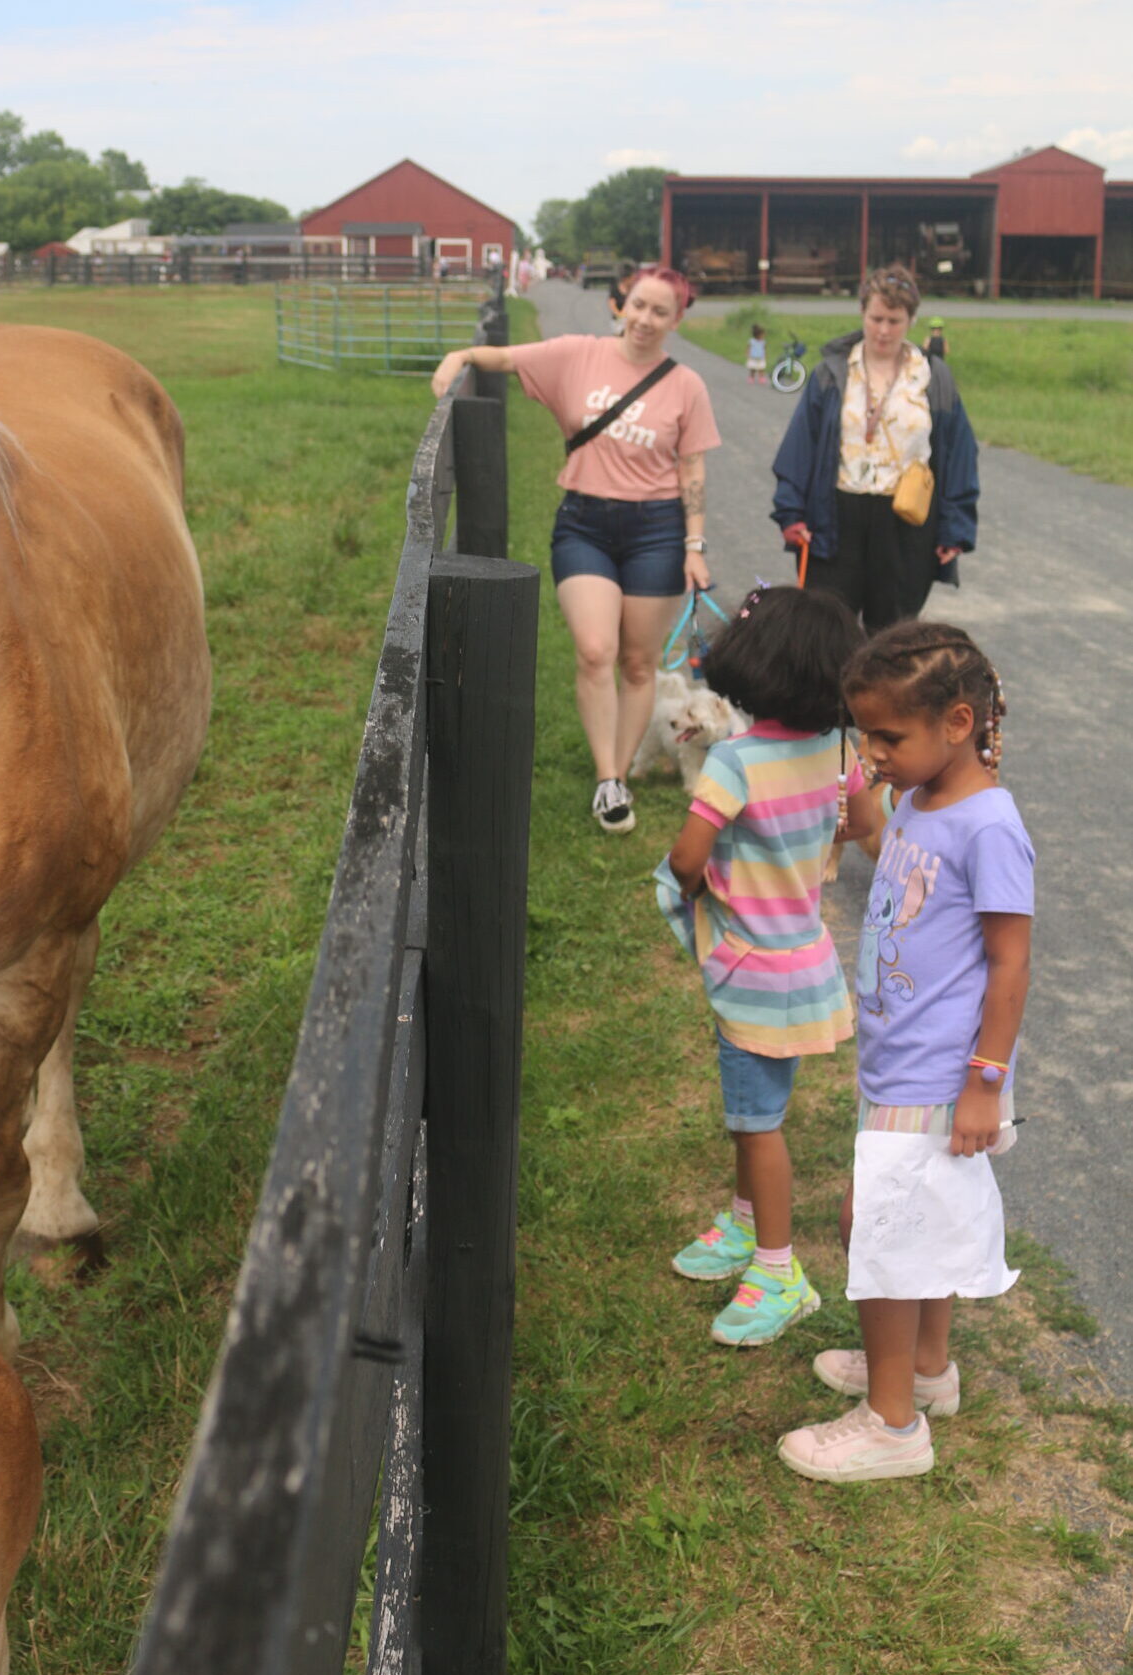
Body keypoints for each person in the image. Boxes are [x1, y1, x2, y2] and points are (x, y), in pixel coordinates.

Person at [780, 621, 1033, 1482]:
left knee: (875, 1225)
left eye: (889, 735)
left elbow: (1010, 963)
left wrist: (984, 1082)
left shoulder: (989, 826)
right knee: (909, 1221)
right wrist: (871, 797)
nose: (874, 751)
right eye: (864, 734)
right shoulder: (924, 800)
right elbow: (893, 859)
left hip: (939, 1070)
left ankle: (891, 1424)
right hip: (897, 1058)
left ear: (958, 723)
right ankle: (926, 1373)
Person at [656, 586, 875, 1344]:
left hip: (749, 972)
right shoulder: (840, 750)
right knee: (761, 1109)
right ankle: (747, 1226)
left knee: (756, 1125)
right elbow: (869, 823)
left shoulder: (735, 762)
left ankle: (780, 1273)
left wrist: (691, 885)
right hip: (806, 960)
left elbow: (687, 855)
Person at [429, 266, 720, 832]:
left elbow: (693, 467)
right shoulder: (578, 354)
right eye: (638, 306)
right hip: (585, 522)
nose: (646, 319)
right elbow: (506, 359)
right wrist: (456, 357)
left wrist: (694, 544)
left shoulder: (687, 385)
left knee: (637, 662)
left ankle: (617, 782)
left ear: (677, 320)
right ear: (621, 304)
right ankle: (607, 771)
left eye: (661, 312)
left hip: (657, 529)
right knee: (594, 649)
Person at [771, 265, 979, 632]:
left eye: (894, 321)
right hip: (836, 517)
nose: (883, 330)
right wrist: (790, 512)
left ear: (911, 320)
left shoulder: (934, 379)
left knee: (892, 637)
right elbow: (800, 446)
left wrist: (954, 529)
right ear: (862, 314)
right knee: (828, 631)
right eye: (876, 318)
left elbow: (960, 455)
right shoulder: (831, 373)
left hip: (906, 521)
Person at [607, 263, 636, 332]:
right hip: (618, 321)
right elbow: (611, 303)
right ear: (625, 279)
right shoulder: (615, 289)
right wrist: (620, 315)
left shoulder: (635, 290)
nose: (634, 280)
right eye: (632, 278)